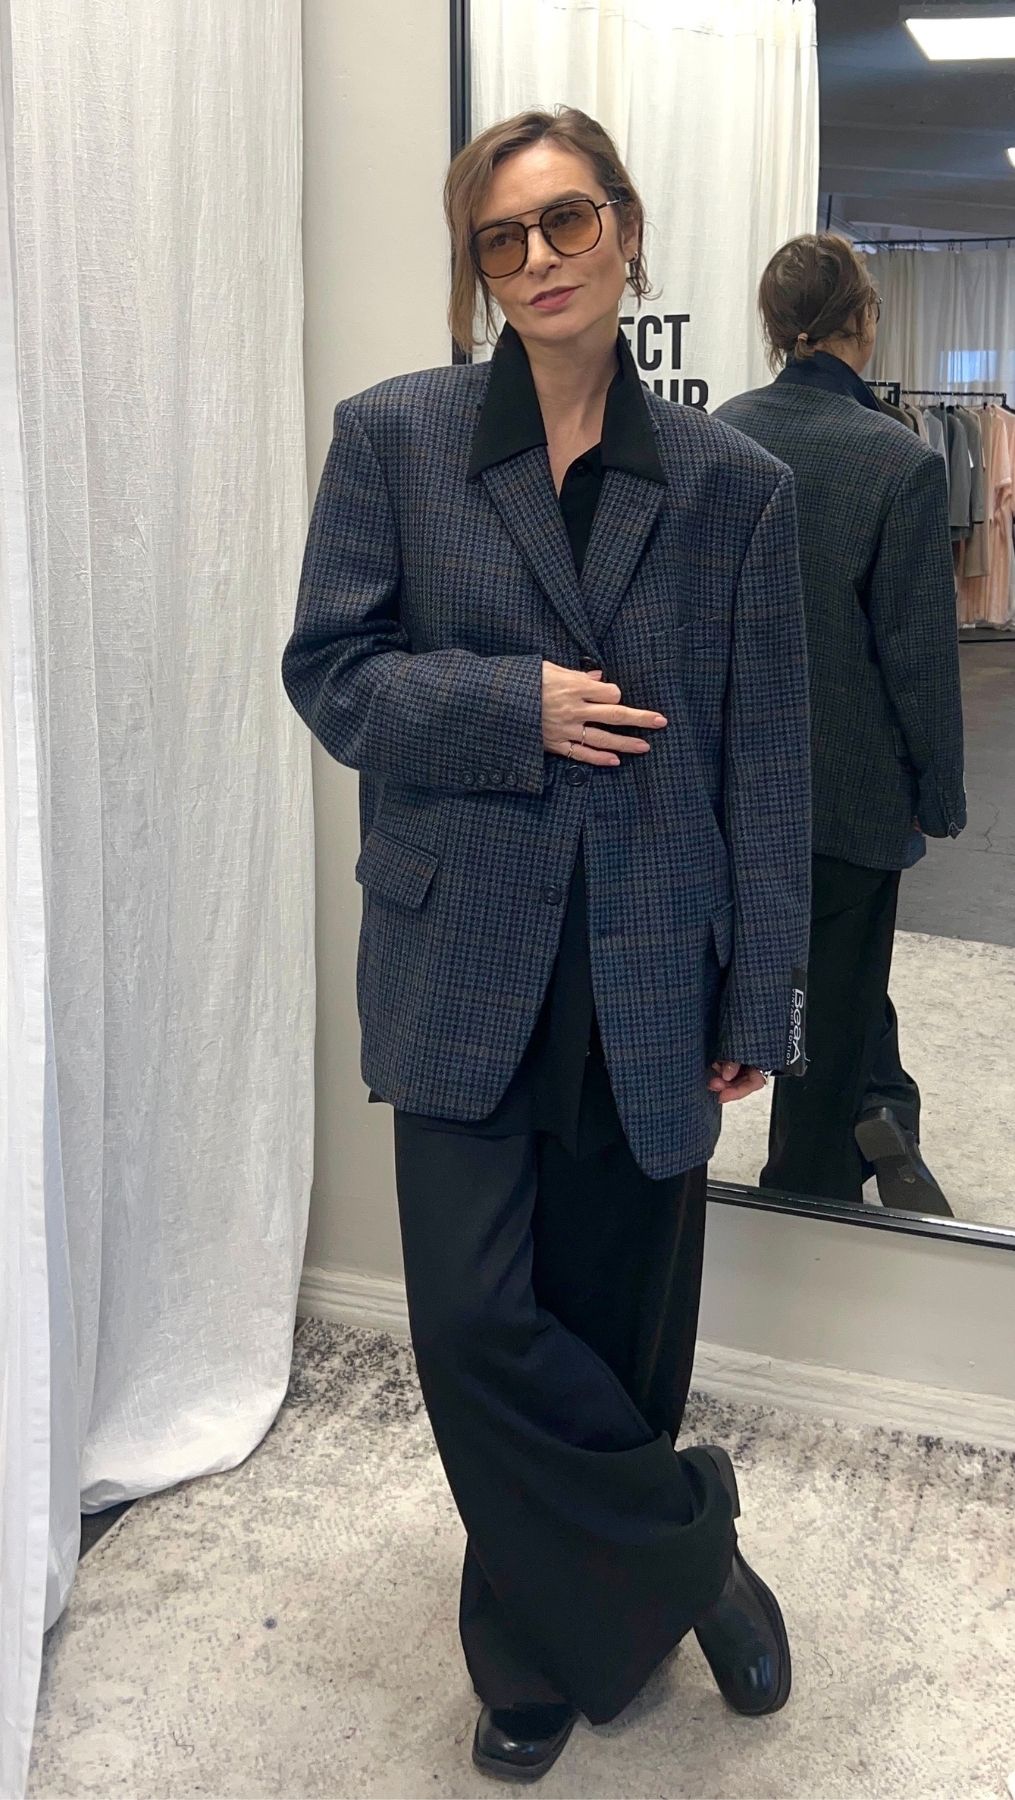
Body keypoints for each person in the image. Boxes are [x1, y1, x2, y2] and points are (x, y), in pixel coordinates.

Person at [282, 107, 811, 1785]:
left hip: (655, 963)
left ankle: (532, 1648)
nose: (537, 259)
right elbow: (331, 672)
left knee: (614, 1330)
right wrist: (509, 705)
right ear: (478, 267)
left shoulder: (735, 487)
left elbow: (766, 761)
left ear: (625, 230)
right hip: (460, 958)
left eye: (564, 221)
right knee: (472, 1327)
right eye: (500, 238)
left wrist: (760, 994)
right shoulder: (397, 438)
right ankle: (692, 1550)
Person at [715, 234, 966, 1214]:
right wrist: (937, 792)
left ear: (774, 323)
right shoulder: (896, 462)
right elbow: (916, 656)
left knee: (801, 980)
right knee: (840, 985)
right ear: (862, 319)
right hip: (847, 790)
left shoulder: (719, 435)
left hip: (729, 783)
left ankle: (881, 1107)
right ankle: (811, 1188)